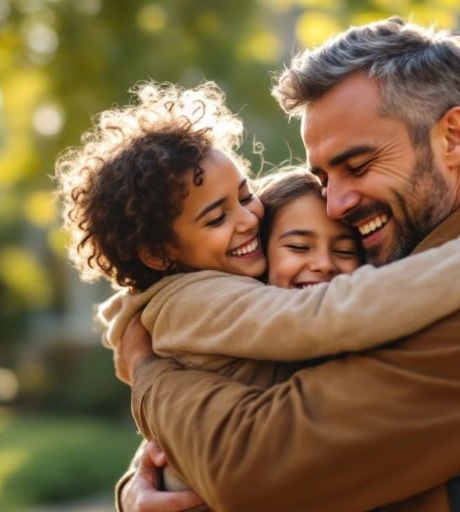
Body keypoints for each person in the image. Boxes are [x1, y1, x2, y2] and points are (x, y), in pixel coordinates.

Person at [116, 17, 460, 512]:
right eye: (324, 178)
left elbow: (250, 465)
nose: (336, 205)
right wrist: (142, 483)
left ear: (451, 137)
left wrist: (147, 371)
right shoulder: (400, 252)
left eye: (358, 166)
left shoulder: (435, 293)